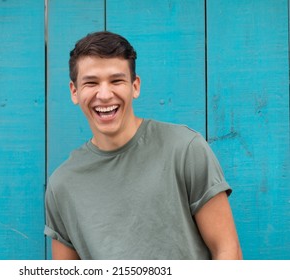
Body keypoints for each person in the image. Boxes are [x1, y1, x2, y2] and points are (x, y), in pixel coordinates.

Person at [44, 31, 242, 260]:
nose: (105, 94)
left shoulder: (185, 149)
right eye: (91, 83)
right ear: (74, 92)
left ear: (135, 86)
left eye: (116, 80)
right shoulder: (62, 185)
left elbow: (227, 251)